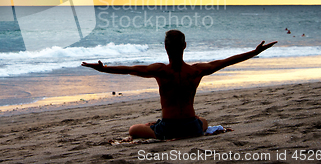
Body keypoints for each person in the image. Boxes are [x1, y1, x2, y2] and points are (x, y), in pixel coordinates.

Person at [82, 30, 277, 140]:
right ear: (185, 46)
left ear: (165, 47)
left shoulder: (160, 71)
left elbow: (129, 69)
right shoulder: (197, 71)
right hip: (192, 127)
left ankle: (157, 126)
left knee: (134, 129)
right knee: (204, 121)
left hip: (169, 129)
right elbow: (227, 61)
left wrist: (103, 69)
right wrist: (254, 51)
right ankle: (185, 125)